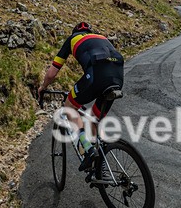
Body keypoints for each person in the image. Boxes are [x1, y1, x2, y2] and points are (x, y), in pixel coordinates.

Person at [37, 22, 124, 171]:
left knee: (69, 106)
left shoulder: (72, 39)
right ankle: (97, 165)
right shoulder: (101, 37)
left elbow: (52, 73)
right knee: (94, 119)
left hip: (96, 75)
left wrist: (42, 87)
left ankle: (89, 151)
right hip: (117, 77)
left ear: (74, 32)